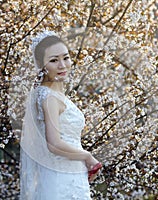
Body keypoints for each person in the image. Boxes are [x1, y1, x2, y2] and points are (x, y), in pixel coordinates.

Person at [20, 30, 102, 200]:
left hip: (70, 175)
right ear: (41, 65)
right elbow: (54, 144)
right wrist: (87, 156)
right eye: (54, 60)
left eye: (65, 57)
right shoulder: (48, 97)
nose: (62, 65)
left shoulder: (50, 94)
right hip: (62, 181)